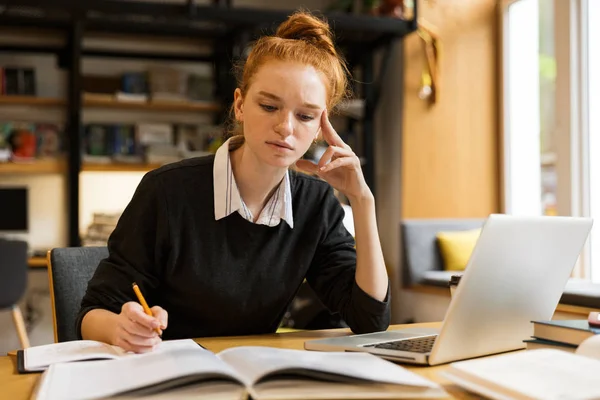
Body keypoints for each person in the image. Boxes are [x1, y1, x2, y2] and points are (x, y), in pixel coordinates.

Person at [78, 11, 390, 353]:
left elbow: (370, 321)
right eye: (269, 106)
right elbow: (91, 313)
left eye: (304, 116)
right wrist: (120, 327)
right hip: (167, 372)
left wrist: (362, 201)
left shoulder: (315, 204)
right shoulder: (167, 192)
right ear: (240, 104)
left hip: (253, 374)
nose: (286, 127)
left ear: (320, 126)